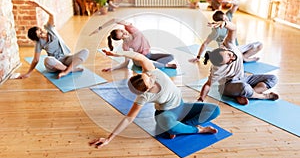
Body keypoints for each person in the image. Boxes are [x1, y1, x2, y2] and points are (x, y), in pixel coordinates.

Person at [89, 49, 220, 148]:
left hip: (182, 106)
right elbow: (129, 118)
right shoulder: (144, 97)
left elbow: (139, 57)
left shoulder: (150, 72)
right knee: (170, 125)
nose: (152, 77)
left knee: (215, 110)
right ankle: (198, 130)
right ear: (146, 89)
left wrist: (118, 54)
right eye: (149, 81)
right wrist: (108, 139)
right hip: (165, 115)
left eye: (146, 75)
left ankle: (182, 127)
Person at [198, 13, 279, 105]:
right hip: (228, 86)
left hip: (244, 77)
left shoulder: (228, 44)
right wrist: (201, 98)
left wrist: (225, 24)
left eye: (229, 54)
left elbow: (234, 28)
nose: (232, 58)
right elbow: (208, 84)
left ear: (224, 49)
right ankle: (263, 96)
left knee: (273, 78)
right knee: (244, 87)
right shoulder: (217, 69)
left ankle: (244, 94)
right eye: (229, 61)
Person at [17, 0, 89, 79]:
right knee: (47, 60)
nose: (43, 33)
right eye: (40, 34)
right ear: (37, 38)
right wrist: (28, 73)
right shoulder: (39, 43)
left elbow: (52, 14)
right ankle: (70, 69)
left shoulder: (49, 28)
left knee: (85, 52)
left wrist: (39, 6)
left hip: (66, 58)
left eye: (41, 30)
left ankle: (67, 70)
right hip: (55, 64)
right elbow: (35, 60)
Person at [189, 0, 263, 63]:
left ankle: (242, 58)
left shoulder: (228, 16)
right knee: (233, 49)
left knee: (259, 45)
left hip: (237, 48)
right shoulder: (216, 31)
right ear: (219, 22)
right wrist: (198, 57)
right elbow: (205, 44)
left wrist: (228, 1)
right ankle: (243, 58)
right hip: (229, 51)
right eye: (224, 19)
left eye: (225, 18)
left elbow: (237, 4)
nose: (226, 19)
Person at [89, 18, 177, 72]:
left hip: (149, 55)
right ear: (120, 39)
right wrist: (113, 68)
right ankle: (165, 65)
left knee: (171, 56)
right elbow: (126, 63)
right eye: (122, 35)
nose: (125, 33)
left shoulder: (132, 30)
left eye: (122, 31)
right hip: (139, 60)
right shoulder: (125, 45)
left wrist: (99, 28)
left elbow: (115, 20)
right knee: (147, 62)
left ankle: (153, 64)